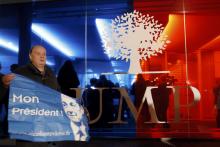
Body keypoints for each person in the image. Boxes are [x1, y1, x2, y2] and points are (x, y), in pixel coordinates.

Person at [0, 45, 60, 139]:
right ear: (30, 56)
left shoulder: (51, 74)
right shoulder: (20, 73)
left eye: (44, 54)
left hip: (48, 126)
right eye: (38, 53)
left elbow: (58, 94)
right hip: (27, 128)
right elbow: (8, 97)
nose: (42, 56)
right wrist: (4, 85)